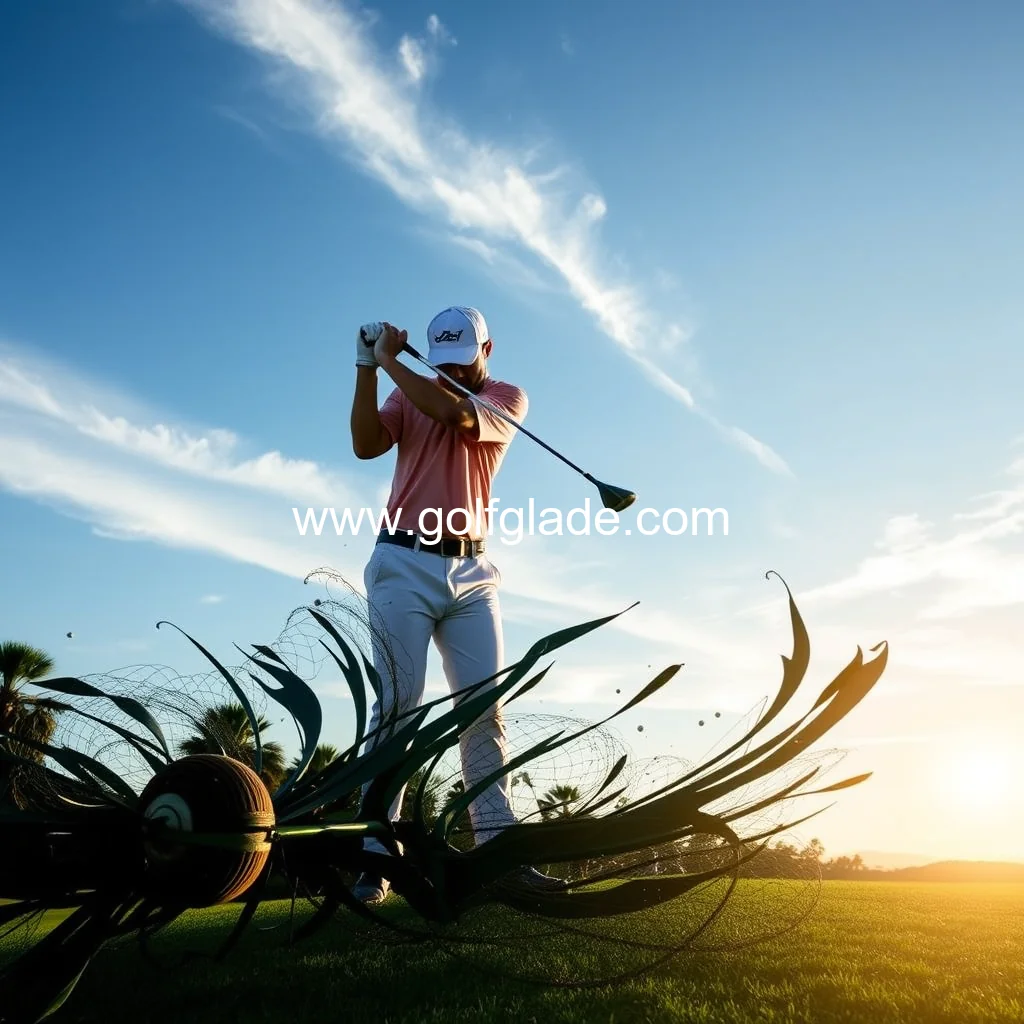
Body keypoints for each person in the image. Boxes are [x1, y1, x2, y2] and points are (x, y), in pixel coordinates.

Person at [348, 305, 561, 905]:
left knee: (484, 710)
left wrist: (389, 358)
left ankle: (498, 851)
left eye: (463, 364)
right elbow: (367, 445)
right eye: (443, 365)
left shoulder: (505, 397)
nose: (452, 375)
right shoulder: (410, 390)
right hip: (402, 565)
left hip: (472, 572)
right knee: (397, 709)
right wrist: (366, 367)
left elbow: (457, 414)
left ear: (486, 352)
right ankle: (374, 856)